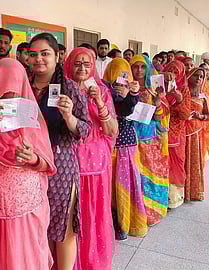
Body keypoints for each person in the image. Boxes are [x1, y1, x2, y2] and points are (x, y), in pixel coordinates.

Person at [0, 58, 56, 270]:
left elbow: (47, 163)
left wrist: (33, 159)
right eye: (3, 88)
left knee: (28, 253)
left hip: (28, 205)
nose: (9, 95)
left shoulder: (33, 117)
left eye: (14, 87)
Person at [29, 33, 89, 270]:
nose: (39, 60)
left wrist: (69, 116)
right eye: (33, 55)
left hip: (60, 166)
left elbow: (85, 130)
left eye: (45, 54)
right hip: (28, 166)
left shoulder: (69, 88)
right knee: (36, 225)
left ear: (57, 57)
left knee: (62, 227)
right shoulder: (22, 85)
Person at [64, 48, 117, 270]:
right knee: (71, 216)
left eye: (87, 64)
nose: (83, 68)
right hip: (69, 162)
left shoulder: (102, 91)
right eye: (77, 63)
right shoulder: (61, 90)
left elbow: (111, 129)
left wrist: (100, 104)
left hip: (97, 164)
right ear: (69, 65)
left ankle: (93, 261)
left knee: (94, 213)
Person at [102, 58, 145, 239]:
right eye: (115, 74)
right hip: (106, 146)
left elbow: (127, 111)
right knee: (109, 187)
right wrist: (110, 93)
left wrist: (131, 95)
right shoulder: (102, 90)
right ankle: (109, 223)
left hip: (126, 145)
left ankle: (124, 223)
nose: (119, 79)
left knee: (125, 186)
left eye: (123, 75)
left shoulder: (132, 92)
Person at [130, 55, 170, 226]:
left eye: (142, 67)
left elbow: (161, 118)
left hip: (148, 139)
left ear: (147, 69)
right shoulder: (124, 88)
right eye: (135, 67)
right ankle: (137, 213)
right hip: (130, 138)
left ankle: (152, 212)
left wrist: (158, 102)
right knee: (135, 177)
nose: (139, 70)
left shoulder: (154, 89)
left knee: (151, 176)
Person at [163, 60, 190, 209]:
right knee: (162, 163)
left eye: (176, 72)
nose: (172, 75)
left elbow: (186, 114)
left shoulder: (184, 90)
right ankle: (160, 197)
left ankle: (174, 199)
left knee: (176, 163)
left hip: (177, 132)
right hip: (160, 131)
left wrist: (179, 100)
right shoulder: (159, 85)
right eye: (170, 70)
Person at [185, 68, 209, 201]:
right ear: (189, 76)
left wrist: (200, 116)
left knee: (194, 162)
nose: (198, 79)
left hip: (196, 135)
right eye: (195, 76)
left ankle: (193, 192)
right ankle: (180, 193)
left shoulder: (203, 96)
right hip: (182, 132)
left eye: (201, 77)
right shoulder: (183, 93)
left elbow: (208, 116)